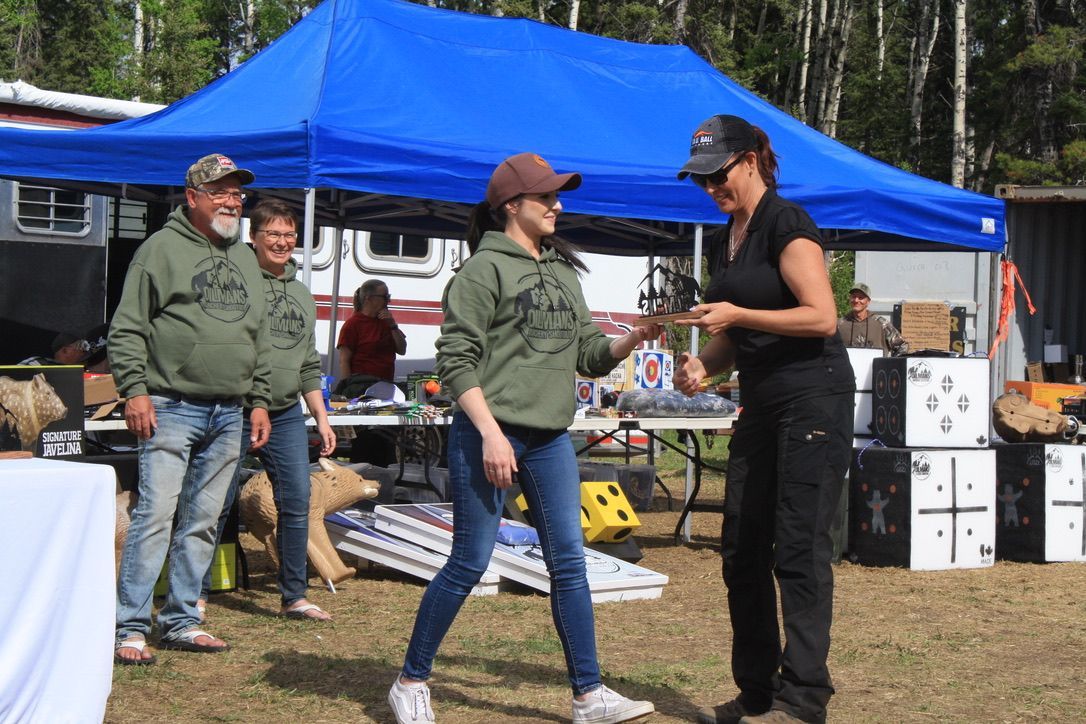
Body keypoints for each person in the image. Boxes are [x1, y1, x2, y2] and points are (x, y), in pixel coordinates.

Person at [388, 152, 659, 724]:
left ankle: (588, 696)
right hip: (489, 433)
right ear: (512, 206)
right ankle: (411, 681)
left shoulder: (563, 272)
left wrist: (632, 339)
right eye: (546, 197)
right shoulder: (481, 272)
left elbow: (588, 354)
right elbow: (456, 363)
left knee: (569, 563)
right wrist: (490, 434)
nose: (558, 205)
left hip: (550, 438)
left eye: (558, 196)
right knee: (469, 561)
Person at [672, 116, 855, 724]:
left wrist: (737, 312)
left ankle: (802, 701)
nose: (710, 189)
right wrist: (704, 368)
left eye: (717, 175)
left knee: (798, 550)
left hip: (813, 398)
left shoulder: (787, 222)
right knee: (741, 548)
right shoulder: (731, 230)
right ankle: (756, 694)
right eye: (701, 181)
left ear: (751, 160)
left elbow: (821, 317)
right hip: (762, 399)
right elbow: (736, 331)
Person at [109, 153, 273, 665]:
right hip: (169, 405)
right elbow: (127, 327)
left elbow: (259, 335)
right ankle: (129, 627)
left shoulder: (246, 257)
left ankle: (181, 619)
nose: (232, 200)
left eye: (238, 192)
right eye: (220, 191)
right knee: (155, 517)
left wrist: (260, 400)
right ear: (193, 198)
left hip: (230, 411)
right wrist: (134, 390)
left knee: (203, 521)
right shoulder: (160, 249)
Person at [198, 199, 337, 621]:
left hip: (286, 413)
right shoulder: (240, 282)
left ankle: (294, 595)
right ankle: (197, 593)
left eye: (289, 235)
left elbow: (308, 363)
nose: (281, 242)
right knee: (215, 501)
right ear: (253, 237)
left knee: (296, 501)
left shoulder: (301, 294)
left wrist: (322, 417)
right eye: (272, 234)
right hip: (235, 410)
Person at [337, 278, 406, 383]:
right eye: (385, 297)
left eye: (389, 296)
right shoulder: (353, 324)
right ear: (369, 298)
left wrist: (393, 326)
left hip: (385, 386)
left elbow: (402, 350)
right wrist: (347, 388)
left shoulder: (387, 322)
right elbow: (344, 361)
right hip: (361, 387)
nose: (388, 301)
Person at [836, 282, 909, 356]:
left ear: (868, 302)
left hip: (875, 367)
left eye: (861, 298)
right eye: (853, 297)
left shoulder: (881, 324)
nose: (856, 300)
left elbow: (902, 345)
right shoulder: (840, 324)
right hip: (849, 367)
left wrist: (891, 364)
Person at [18, 330, 87, 366]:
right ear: (65, 351)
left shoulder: (85, 368)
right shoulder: (38, 364)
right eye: (80, 345)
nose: (84, 350)